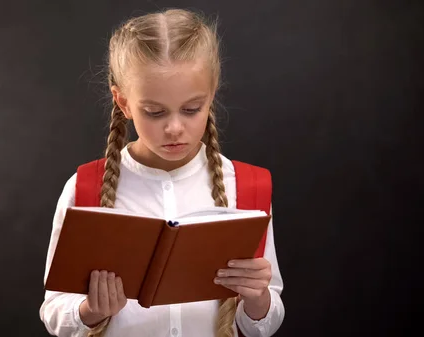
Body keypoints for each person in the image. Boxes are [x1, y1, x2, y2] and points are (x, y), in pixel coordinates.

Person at [39, 8, 285, 337]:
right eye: (154, 112)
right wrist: (90, 311)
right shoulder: (84, 189)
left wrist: (257, 299)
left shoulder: (248, 187)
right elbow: (53, 310)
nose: (174, 128)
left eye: (191, 109)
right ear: (123, 102)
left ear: (211, 95)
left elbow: (264, 322)